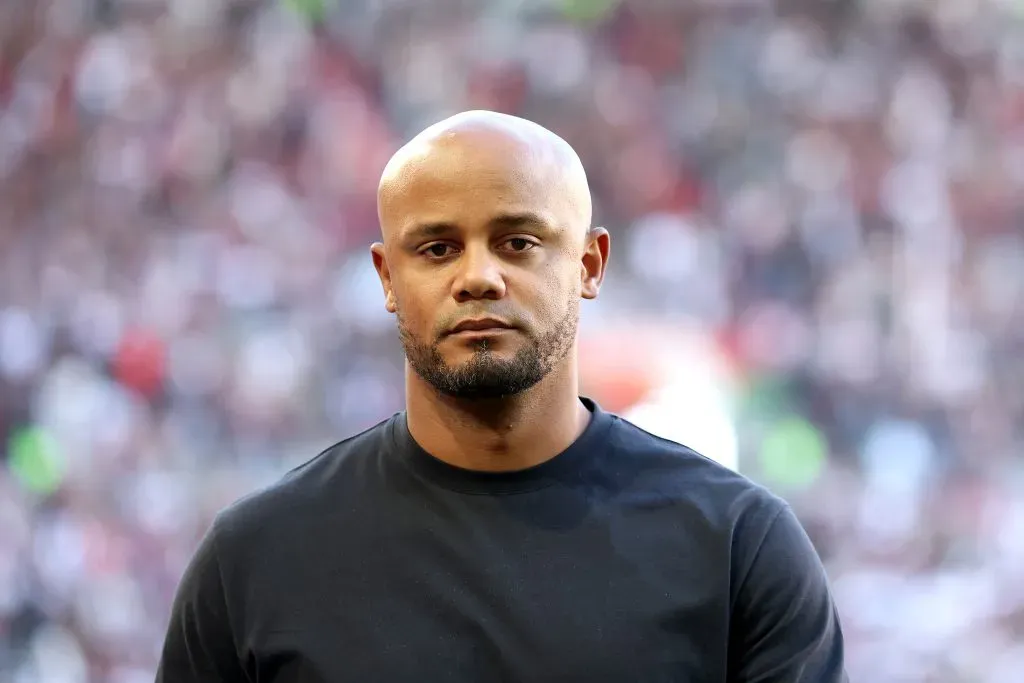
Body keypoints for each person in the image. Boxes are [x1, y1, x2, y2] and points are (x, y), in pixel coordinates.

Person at [156, 110, 848, 682]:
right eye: (436, 249)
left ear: (589, 264)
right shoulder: (256, 560)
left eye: (517, 242)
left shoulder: (738, 548)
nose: (478, 276)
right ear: (386, 277)